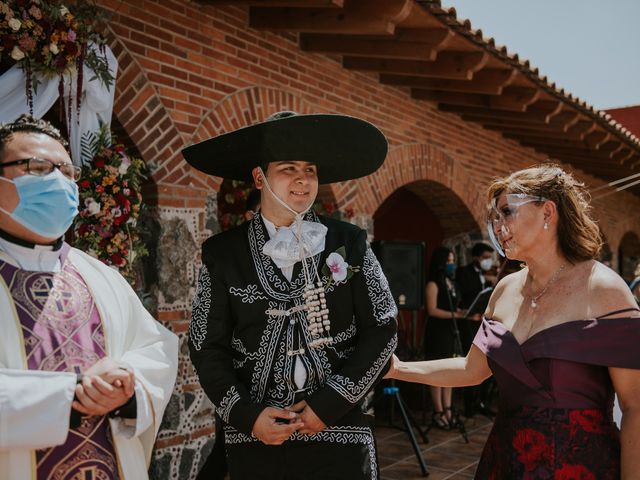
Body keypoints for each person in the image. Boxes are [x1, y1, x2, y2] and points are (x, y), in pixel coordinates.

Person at [386, 164, 640, 479]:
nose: (498, 224)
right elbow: (471, 370)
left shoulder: (603, 289)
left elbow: (636, 406)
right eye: (495, 216)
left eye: (507, 212)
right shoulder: (504, 290)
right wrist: (397, 369)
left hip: (578, 467)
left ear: (548, 213)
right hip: (504, 461)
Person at [183, 111, 398, 479]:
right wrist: (248, 416)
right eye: (288, 168)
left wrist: (330, 404)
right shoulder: (223, 253)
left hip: (339, 431)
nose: (302, 180)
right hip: (257, 437)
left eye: (310, 170)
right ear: (259, 176)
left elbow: (383, 327)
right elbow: (206, 344)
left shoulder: (349, 241)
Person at [0, 115, 179, 479]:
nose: (60, 182)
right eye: (39, 167)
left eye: (67, 172)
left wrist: (128, 390)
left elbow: (156, 349)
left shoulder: (100, 276)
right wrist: (69, 395)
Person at [422, 246, 465, 429]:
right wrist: (456, 314)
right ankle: (438, 411)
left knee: (450, 372)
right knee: (437, 371)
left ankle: (448, 409)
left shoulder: (451, 283)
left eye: (452, 260)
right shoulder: (433, 284)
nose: (451, 264)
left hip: (451, 331)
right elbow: (432, 310)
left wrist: (460, 313)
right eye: (448, 261)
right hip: (437, 332)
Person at [456, 242, 496, 418]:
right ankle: (468, 406)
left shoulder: (486, 274)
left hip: (483, 322)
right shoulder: (464, 272)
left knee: (488, 362)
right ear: (476, 258)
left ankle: (481, 401)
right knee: (470, 360)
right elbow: (465, 293)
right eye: (485, 258)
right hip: (468, 323)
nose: (488, 262)